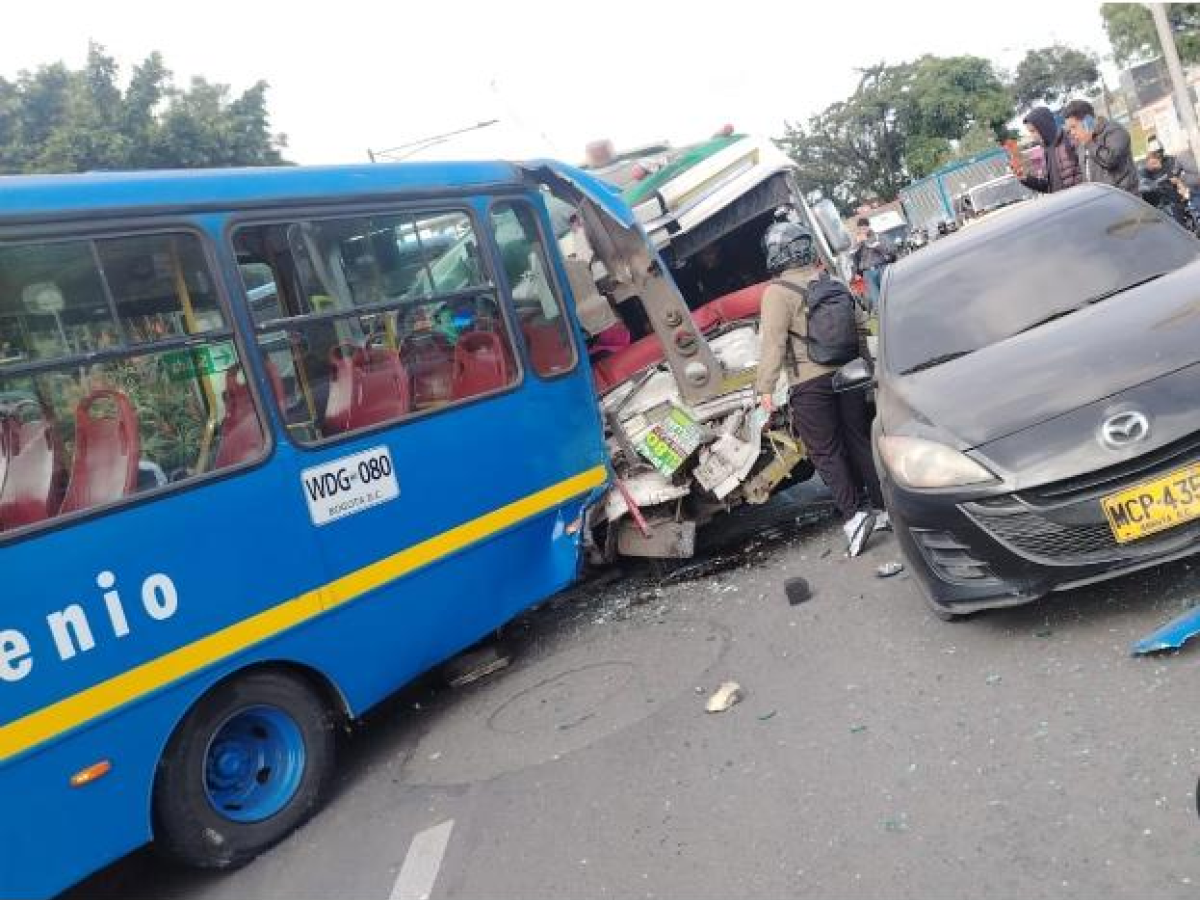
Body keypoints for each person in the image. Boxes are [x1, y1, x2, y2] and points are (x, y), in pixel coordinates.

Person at [756, 221, 886, 558]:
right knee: (858, 440)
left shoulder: (776, 292)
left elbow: (773, 343)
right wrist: (866, 367)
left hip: (809, 382)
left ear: (776, 254)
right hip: (850, 373)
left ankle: (855, 515)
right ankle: (883, 507)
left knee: (826, 451)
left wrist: (765, 389)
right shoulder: (832, 281)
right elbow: (860, 325)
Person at [1061, 99, 1138, 194]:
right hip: (1100, 198)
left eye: (1074, 127)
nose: (1072, 133)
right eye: (1070, 129)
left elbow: (1111, 160)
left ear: (1087, 121)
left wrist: (1090, 143)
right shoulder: (1082, 144)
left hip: (1123, 197)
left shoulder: (1115, 131)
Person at [1019, 106, 1083, 194]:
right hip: (1061, 201)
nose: (1032, 136)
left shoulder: (1071, 141)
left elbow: (1087, 174)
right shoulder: (1046, 151)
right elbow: (1049, 187)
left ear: (1044, 126)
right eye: (1030, 132)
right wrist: (1026, 179)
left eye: (1033, 131)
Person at [851, 217, 896, 311]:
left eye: (864, 228)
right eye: (860, 229)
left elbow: (889, 250)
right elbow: (854, 259)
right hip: (867, 273)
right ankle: (882, 316)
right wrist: (858, 245)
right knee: (876, 301)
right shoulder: (856, 241)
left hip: (881, 268)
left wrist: (870, 242)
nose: (862, 231)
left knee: (888, 295)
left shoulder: (878, 236)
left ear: (868, 227)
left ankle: (894, 312)